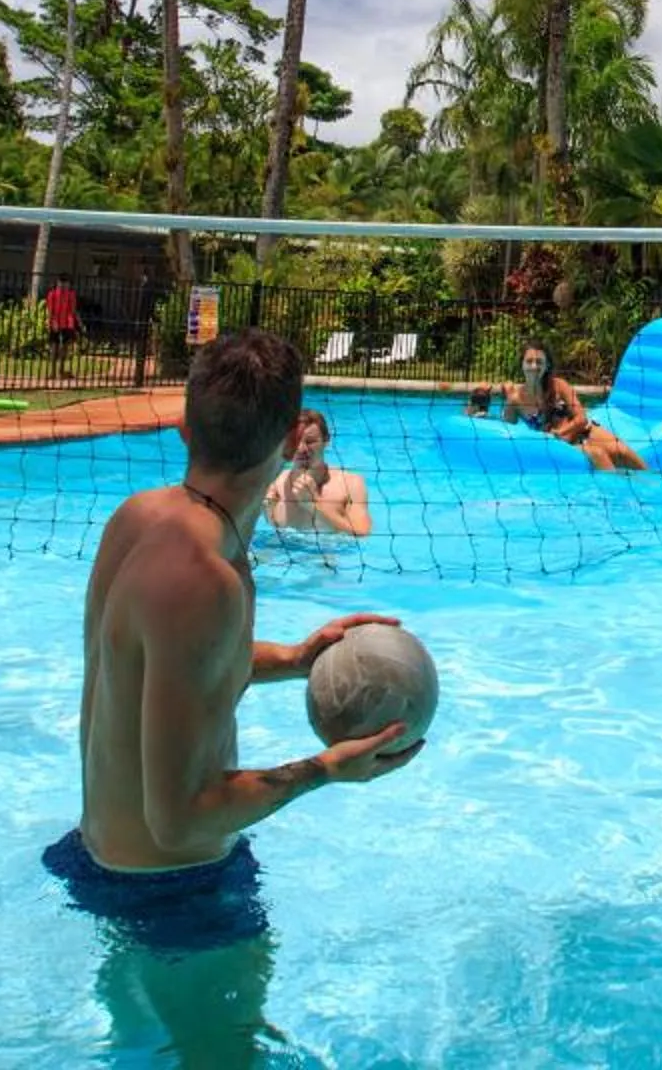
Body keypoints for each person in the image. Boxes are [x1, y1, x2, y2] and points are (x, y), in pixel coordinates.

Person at [51, 328, 418, 1059]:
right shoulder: (203, 581)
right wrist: (324, 770)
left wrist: (295, 656)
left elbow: (163, 666)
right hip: (178, 897)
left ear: (184, 425)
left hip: (100, 858)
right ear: (290, 437)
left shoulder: (141, 517)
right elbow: (182, 818)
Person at [501, 342, 646, 472]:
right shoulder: (515, 400)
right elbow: (507, 431)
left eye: (539, 362)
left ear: (547, 365)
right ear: (522, 364)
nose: (534, 366)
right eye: (529, 361)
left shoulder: (559, 385)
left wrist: (560, 431)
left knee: (624, 453)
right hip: (561, 445)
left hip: (585, 431)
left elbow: (581, 418)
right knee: (599, 455)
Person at [262, 409, 372, 539]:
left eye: (310, 441)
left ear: (326, 440)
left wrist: (314, 504)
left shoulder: (350, 483)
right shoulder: (274, 482)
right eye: (295, 442)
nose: (301, 449)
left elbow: (362, 533)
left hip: (332, 554)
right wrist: (268, 511)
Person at [44, 277, 83, 371]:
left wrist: (78, 321)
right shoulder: (52, 294)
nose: (63, 285)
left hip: (68, 323)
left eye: (66, 283)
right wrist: (51, 321)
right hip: (56, 322)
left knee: (64, 346)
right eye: (61, 282)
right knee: (54, 346)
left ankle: (60, 370)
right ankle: (53, 371)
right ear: (57, 283)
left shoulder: (71, 294)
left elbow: (73, 310)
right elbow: (50, 310)